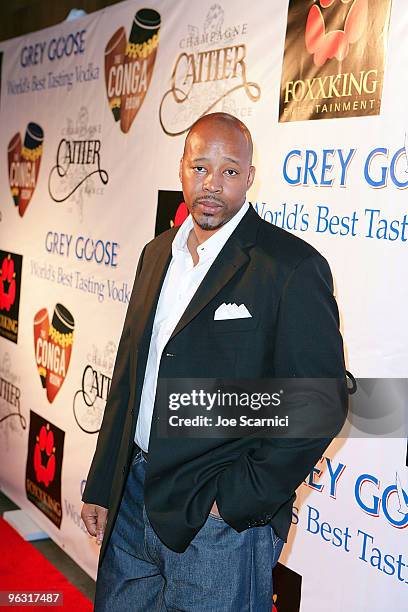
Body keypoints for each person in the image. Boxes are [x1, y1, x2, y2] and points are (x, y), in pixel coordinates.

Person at [81, 112, 347, 611]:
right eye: (200, 168)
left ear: (249, 176)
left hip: (218, 522)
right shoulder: (157, 254)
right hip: (131, 499)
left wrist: (237, 500)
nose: (211, 184)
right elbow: (129, 375)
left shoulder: (290, 266)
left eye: (228, 171)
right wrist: (103, 481)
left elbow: (320, 403)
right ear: (181, 168)